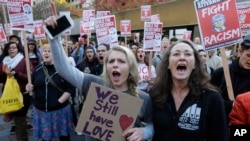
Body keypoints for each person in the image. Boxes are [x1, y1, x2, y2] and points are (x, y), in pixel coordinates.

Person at [44, 15, 153, 141]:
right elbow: (64, 69)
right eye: (111, 61)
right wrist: (54, 37)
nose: (115, 64)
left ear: (130, 67)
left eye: (121, 61)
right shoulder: (93, 84)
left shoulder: (143, 98)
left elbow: (152, 124)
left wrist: (145, 132)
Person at [150, 39, 228, 141]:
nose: (182, 57)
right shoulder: (155, 94)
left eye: (187, 54)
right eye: (176, 54)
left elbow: (220, 136)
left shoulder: (211, 98)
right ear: (168, 64)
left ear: (195, 64)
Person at [25, 44, 75, 141]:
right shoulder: (37, 69)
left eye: (49, 51)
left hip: (60, 110)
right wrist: (29, 89)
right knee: (46, 138)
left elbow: (70, 89)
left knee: (64, 137)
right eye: (44, 51)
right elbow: (33, 86)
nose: (46, 53)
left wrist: (58, 102)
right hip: (41, 110)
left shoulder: (63, 69)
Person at [210, 34, 250, 122]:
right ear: (240, 51)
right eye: (248, 55)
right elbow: (209, 100)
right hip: (220, 125)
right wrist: (229, 105)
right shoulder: (221, 73)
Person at [0, 42, 32, 141]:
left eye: (14, 47)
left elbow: (30, 78)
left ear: (18, 49)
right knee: (18, 120)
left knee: (20, 120)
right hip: (10, 95)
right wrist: (4, 73)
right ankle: (22, 136)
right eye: (9, 48)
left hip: (22, 95)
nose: (11, 49)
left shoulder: (24, 61)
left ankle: (21, 138)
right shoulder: (4, 62)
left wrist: (16, 74)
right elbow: (1, 80)